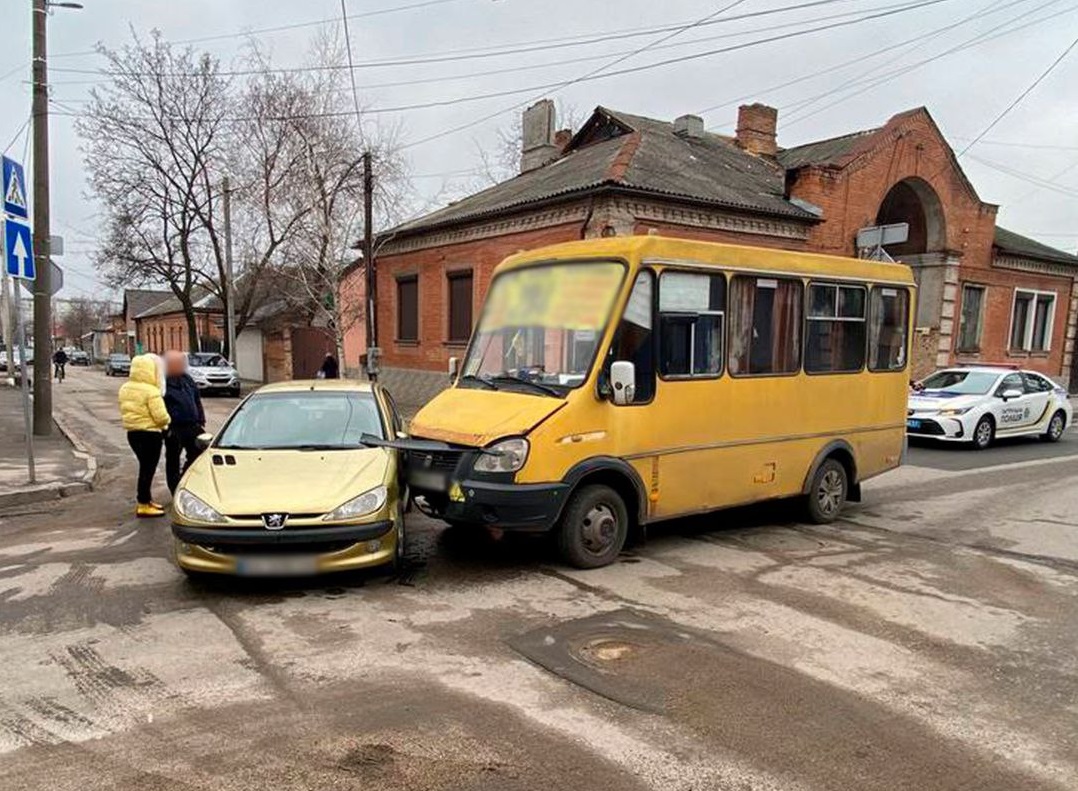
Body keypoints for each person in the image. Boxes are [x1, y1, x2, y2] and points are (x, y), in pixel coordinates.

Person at [118, 353, 170, 518]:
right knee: (148, 470)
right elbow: (161, 416)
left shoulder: (125, 388)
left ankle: (147, 500)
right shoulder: (151, 391)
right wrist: (167, 423)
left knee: (144, 468)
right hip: (150, 434)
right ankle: (143, 503)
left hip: (132, 433)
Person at [163, 350, 206, 493]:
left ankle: (186, 478)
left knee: (200, 452)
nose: (181, 365)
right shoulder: (162, 381)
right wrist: (167, 427)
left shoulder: (187, 379)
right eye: (177, 363)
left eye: (182, 362)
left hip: (192, 424)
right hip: (174, 427)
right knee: (173, 458)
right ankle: (175, 488)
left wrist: (200, 418)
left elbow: (196, 399)